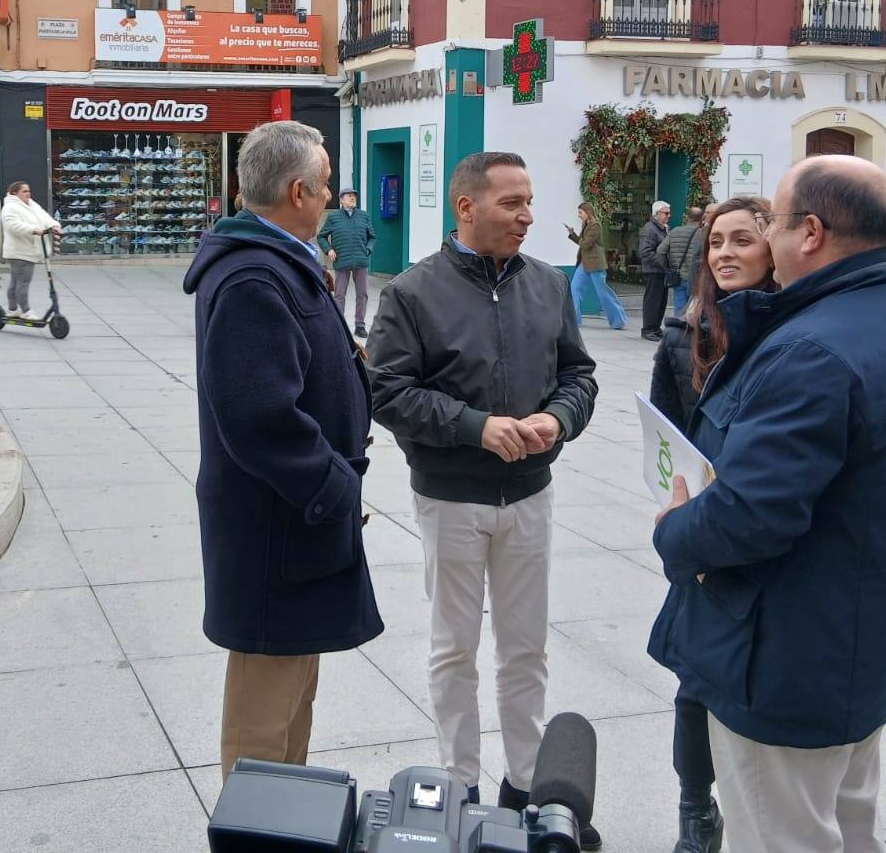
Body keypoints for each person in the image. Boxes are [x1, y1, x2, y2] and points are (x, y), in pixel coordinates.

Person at [649, 156, 886, 853]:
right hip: (872, 642)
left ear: (812, 232)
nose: (766, 236)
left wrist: (676, 531)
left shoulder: (809, 348)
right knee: (849, 826)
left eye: (773, 222)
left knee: (784, 835)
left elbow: (749, 516)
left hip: (792, 662)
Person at [367, 152, 600, 846]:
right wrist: (476, 428)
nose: (528, 216)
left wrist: (558, 418)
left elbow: (580, 374)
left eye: (529, 201)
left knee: (526, 648)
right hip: (451, 500)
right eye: (512, 203)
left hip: (530, 495)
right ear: (466, 207)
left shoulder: (549, 283)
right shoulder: (412, 292)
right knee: (454, 648)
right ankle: (458, 784)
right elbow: (387, 392)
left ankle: (525, 786)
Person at [183, 121, 383, 779]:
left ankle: (285, 825)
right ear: (298, 192)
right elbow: (260, 417)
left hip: (297, 530)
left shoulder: (279, 263)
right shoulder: (253, 278)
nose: (329, 197)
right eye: (324, 186)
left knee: (293, 710)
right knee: (263, 736)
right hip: (278, 533)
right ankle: (255, 829)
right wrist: (334, 486)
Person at [649, 197, 776, 853]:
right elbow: (666, 435)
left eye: (742, 240)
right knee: (693, 682)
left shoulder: (793, 334)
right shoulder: (684, 333)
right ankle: (695, 809)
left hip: (759, 532)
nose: (725, 252)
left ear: (775, 246)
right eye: (717, 241)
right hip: (700, 531)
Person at [318, 187, 376, 338]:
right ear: (341, 200)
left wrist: (368, 249)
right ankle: (340, 326)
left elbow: (372, 237)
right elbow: (321, 236)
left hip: (360, 261)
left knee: (362, 294)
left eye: (354, 196)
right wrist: (329, 249)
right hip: (341, 260)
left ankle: (360, 325)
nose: (352, 198)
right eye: (349, 196)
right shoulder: (333, 217)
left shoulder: (364, 216)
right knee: (339, 295)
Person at [0, 181, 60, 320]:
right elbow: (12, 225)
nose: (28, 193)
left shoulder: (31, 204)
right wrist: (33, 229)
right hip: (19, 251)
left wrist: (54, 225)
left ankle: (13, 309)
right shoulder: (10, 207)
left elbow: (44, 216)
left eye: (29, 191)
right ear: (15, 193)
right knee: (23, 282)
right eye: (24, 191)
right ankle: (25, 311)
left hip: (29, 250)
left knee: (16, 282)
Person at [566, 201, 628, 330]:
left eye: (580, 212)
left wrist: (577, 237)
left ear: (587, 212)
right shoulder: (586, 225)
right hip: (584, 262)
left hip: (595, 263)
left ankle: (618, 320)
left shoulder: (595, 225)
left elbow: (586, 244)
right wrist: (572, 234)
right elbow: (583, 243)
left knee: (603, 292)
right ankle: (574, 321)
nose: (579, 215)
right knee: (574, 289)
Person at [657, 207, 704, 317]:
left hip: (679, 276)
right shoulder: (702, 234)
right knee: (695, 309)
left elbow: (660, 251)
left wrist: (667, 267)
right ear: (702, 219)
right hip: (697, 277)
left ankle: (678, 326)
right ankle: (691, 327)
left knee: (679, 307)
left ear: (687, 218)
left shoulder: (675, 231)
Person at [639, 200, 672, 341]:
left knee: (661, 302)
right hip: (653, 271)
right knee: (652, 301)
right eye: (666, 213)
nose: (669, 216)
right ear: (657, 213)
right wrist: (664, 263)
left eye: (669, 213)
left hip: (661, 271)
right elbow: (646, 252)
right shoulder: (650, 229)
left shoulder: (663, 228)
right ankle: (648, 329)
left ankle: (655, 328)